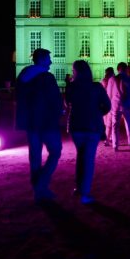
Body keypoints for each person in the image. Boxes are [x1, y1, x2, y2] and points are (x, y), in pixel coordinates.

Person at [16, 48, 64, 201]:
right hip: (46, 122)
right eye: (48, 59)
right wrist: (60, 114)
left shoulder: (23, 75)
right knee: (55, 151)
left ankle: (38, 190)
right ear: (42, 60)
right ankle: (41, 185)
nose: (50, 61)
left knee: (35, 157)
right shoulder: (46, 77)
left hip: (31, 122)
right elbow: (55, 100)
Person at [65, 60, 111, 204]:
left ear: (76, 72)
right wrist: (97, 113)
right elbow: (107, 106)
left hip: (76, 127)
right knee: (88, 160)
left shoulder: (71, 87)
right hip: (92, 127)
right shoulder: (96, 87)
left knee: (81, 156)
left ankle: (79, 188)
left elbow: (67, 104)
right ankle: (85, 194)